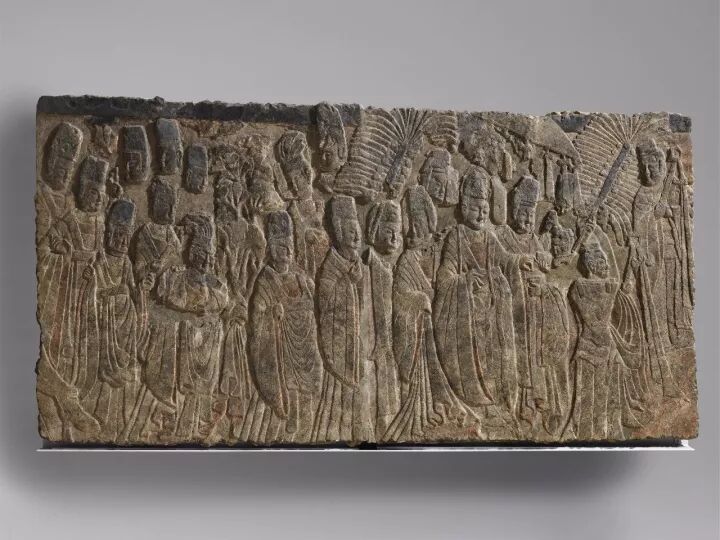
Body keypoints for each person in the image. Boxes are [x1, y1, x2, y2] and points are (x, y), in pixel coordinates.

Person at [433, 168, 520, 434]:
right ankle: (476, 401)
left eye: (485, 209)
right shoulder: (456, 237)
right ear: (464, 207)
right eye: (476, 208)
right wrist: (466, 282)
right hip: (468, 314)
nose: (482, 215)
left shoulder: (489, 237)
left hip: (492, 313)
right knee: (475, 357)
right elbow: (445, 277)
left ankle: (497, 404)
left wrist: (522, 262)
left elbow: (506, 260)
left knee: (494, 357)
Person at [384, 185, 468, 441]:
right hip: (419, 332)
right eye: (414, 225)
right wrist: (421, 299)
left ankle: (439, 405)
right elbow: (400, 296)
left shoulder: (433, 254)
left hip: (436, 327)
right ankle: (424, 410)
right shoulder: (407, 260)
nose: (417, 231)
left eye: (422, 225)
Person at [496, 175, 570, 437]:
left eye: (530, 214)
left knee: (540, 353)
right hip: (514, 307)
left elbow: (545, 262)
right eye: (522, 213)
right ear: (512, 211)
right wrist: (519, 263)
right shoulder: (503, 235)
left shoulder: (533, 238)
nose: (527, 220)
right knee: (519, 356)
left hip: (537, 307)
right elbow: (498, 261)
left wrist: (544, 258)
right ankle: (523, 406)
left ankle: (542, 399)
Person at [242, 211, 322, 443]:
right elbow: (256, 314)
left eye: (288, 246)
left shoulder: (301, 277)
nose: (285, 251)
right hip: (280, 343)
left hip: (305, 340)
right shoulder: (266, 279)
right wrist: (270, 313)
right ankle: (288, 415)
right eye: (279, 246)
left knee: (310, 378)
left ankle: (306, 417)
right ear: (271, 248)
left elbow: (316, 303)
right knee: (289, 381)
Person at [312, 196, 375, 442]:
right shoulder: (331, 267)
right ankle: (335, 429)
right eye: (351, 231)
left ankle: (359, 428)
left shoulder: (357, 265)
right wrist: (347, 282)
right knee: (338, 391)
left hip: (357, 342)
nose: (357, 236)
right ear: (338, 232)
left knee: (359, 386)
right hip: (339, 342)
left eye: (357, 230)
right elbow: (325, 302)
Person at [161, 214, 229, 441]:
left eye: (210, 256)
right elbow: (172, 298)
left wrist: (206, 304)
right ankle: (180, 423)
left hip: (209, 336)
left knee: (206, 386)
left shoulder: (214, 283)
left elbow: (221, 300)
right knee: (187, 385)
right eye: (203, 255)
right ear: (193, 254)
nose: (207, 261)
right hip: (188, 335)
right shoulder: (177, 278)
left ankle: (202, 422)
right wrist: (195, 306)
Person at [126, 177, 183, 442]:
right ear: (154, 204)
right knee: (153, 345)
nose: (169, 209)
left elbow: (179, 262)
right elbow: (137, 265)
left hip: (168, 301)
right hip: (148, 301)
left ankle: (166, 404)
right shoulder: (145, 233)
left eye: (171, 204)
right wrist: (145, 275)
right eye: (164, 203)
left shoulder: (172, 236)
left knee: (171, 347)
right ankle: (150, 402)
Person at [214, 176, 265, 440]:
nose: (221, 202)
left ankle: (236, 416)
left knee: (238, 355)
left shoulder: (248, 231)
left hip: (242, 306)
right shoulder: (219, 231)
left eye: (226, 198)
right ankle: (224, 414)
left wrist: (242, 298)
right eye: (218, 198)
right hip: (224, 306)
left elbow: (257, 266)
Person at [85, 199, 141, 441]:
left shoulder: (126, 263)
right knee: (105, 379)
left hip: (125, 327)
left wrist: (141, 289)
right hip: (107, 326)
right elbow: (95, 292)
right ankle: (100, 417)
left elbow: (133, 290)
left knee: (125, 378)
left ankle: (123, 421)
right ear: (109, 234)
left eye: (126, 236)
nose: (122, 241)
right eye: (118, 235)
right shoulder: (101, 261)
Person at [364, 199, 402, 438]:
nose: (394, 238)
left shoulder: (388, 267)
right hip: (374, 340)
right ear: (374, 230)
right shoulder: (369, 264)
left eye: (397, 232)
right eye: (389, 231)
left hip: (388, 338)